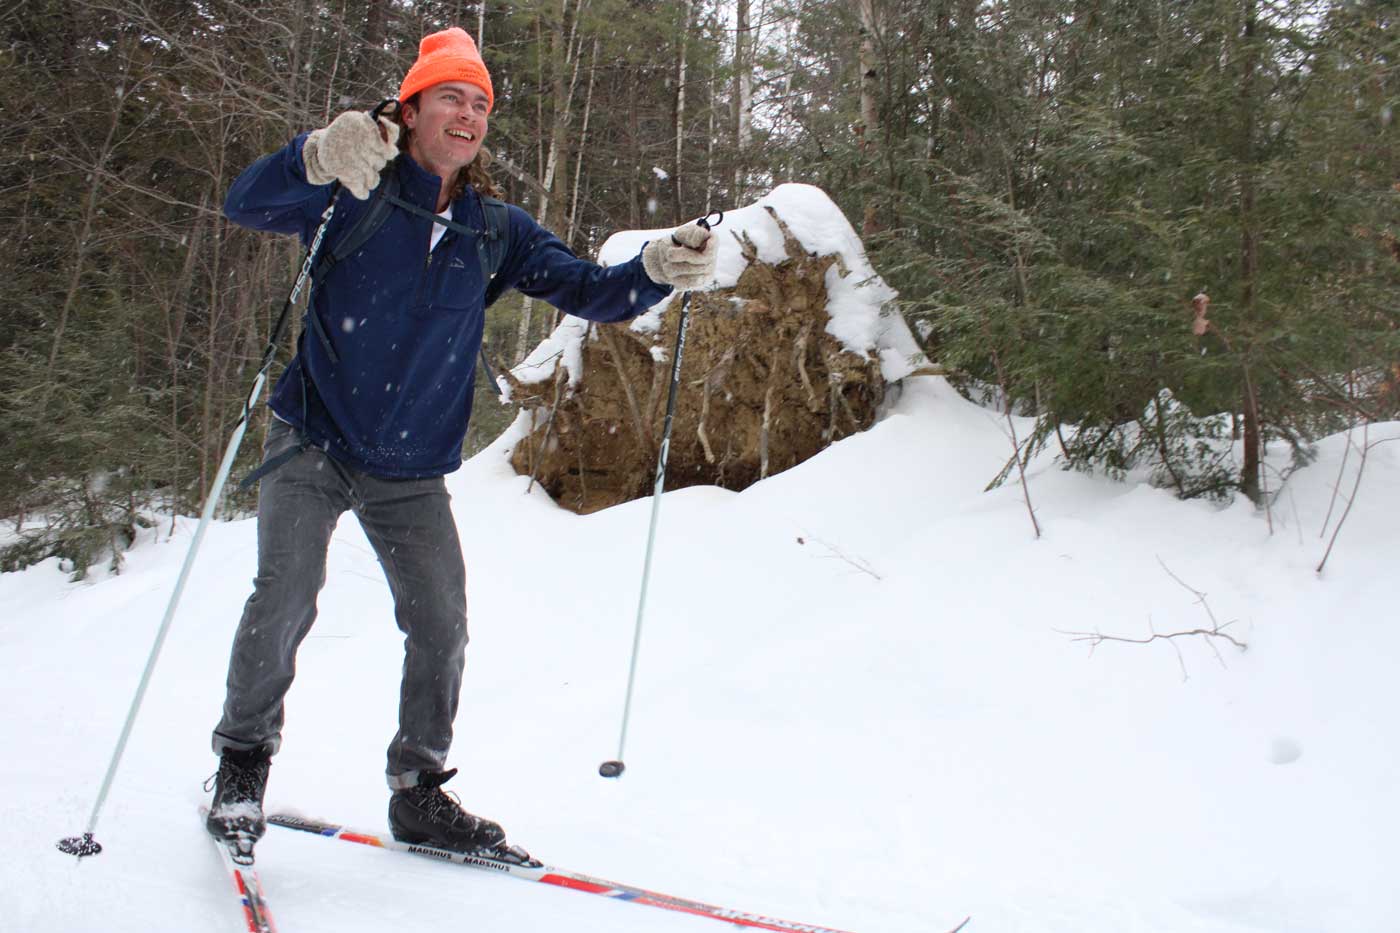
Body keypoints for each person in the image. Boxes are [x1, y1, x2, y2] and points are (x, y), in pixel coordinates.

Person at [205, 26, 717, 857]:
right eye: (451, 96)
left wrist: (655, 264)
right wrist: (312, 156)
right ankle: (241, 765)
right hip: (315, 438)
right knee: (285, 596)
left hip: (410, 467)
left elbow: (592, 291)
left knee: (441, 622)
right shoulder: (355, 186)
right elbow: (245, 203)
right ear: (410, 110)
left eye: (480, 103)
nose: (469, 114)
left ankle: (419, 792)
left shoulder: (495, 227)